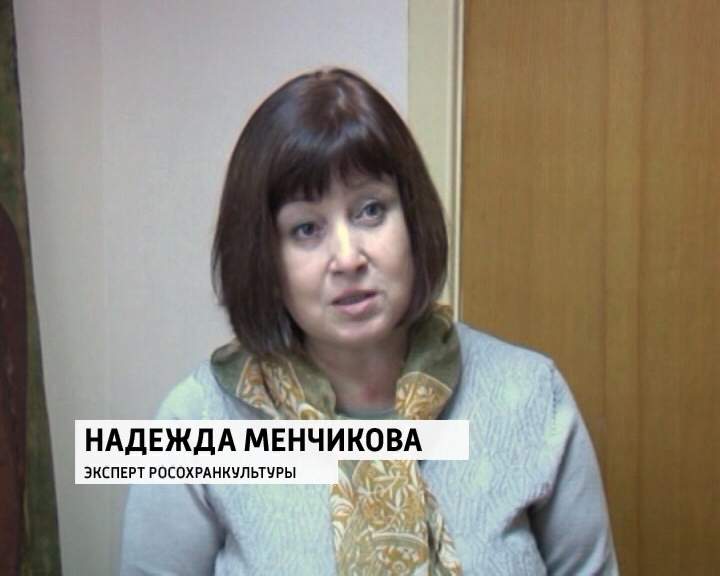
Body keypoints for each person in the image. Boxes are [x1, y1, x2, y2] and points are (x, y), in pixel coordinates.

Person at [120, 68, 618, 575]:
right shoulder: (197, 420)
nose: (347, 257)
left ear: (413, 220)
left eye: (371, 211)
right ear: (263, 256)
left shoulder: (530, 396)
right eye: (306, 229)